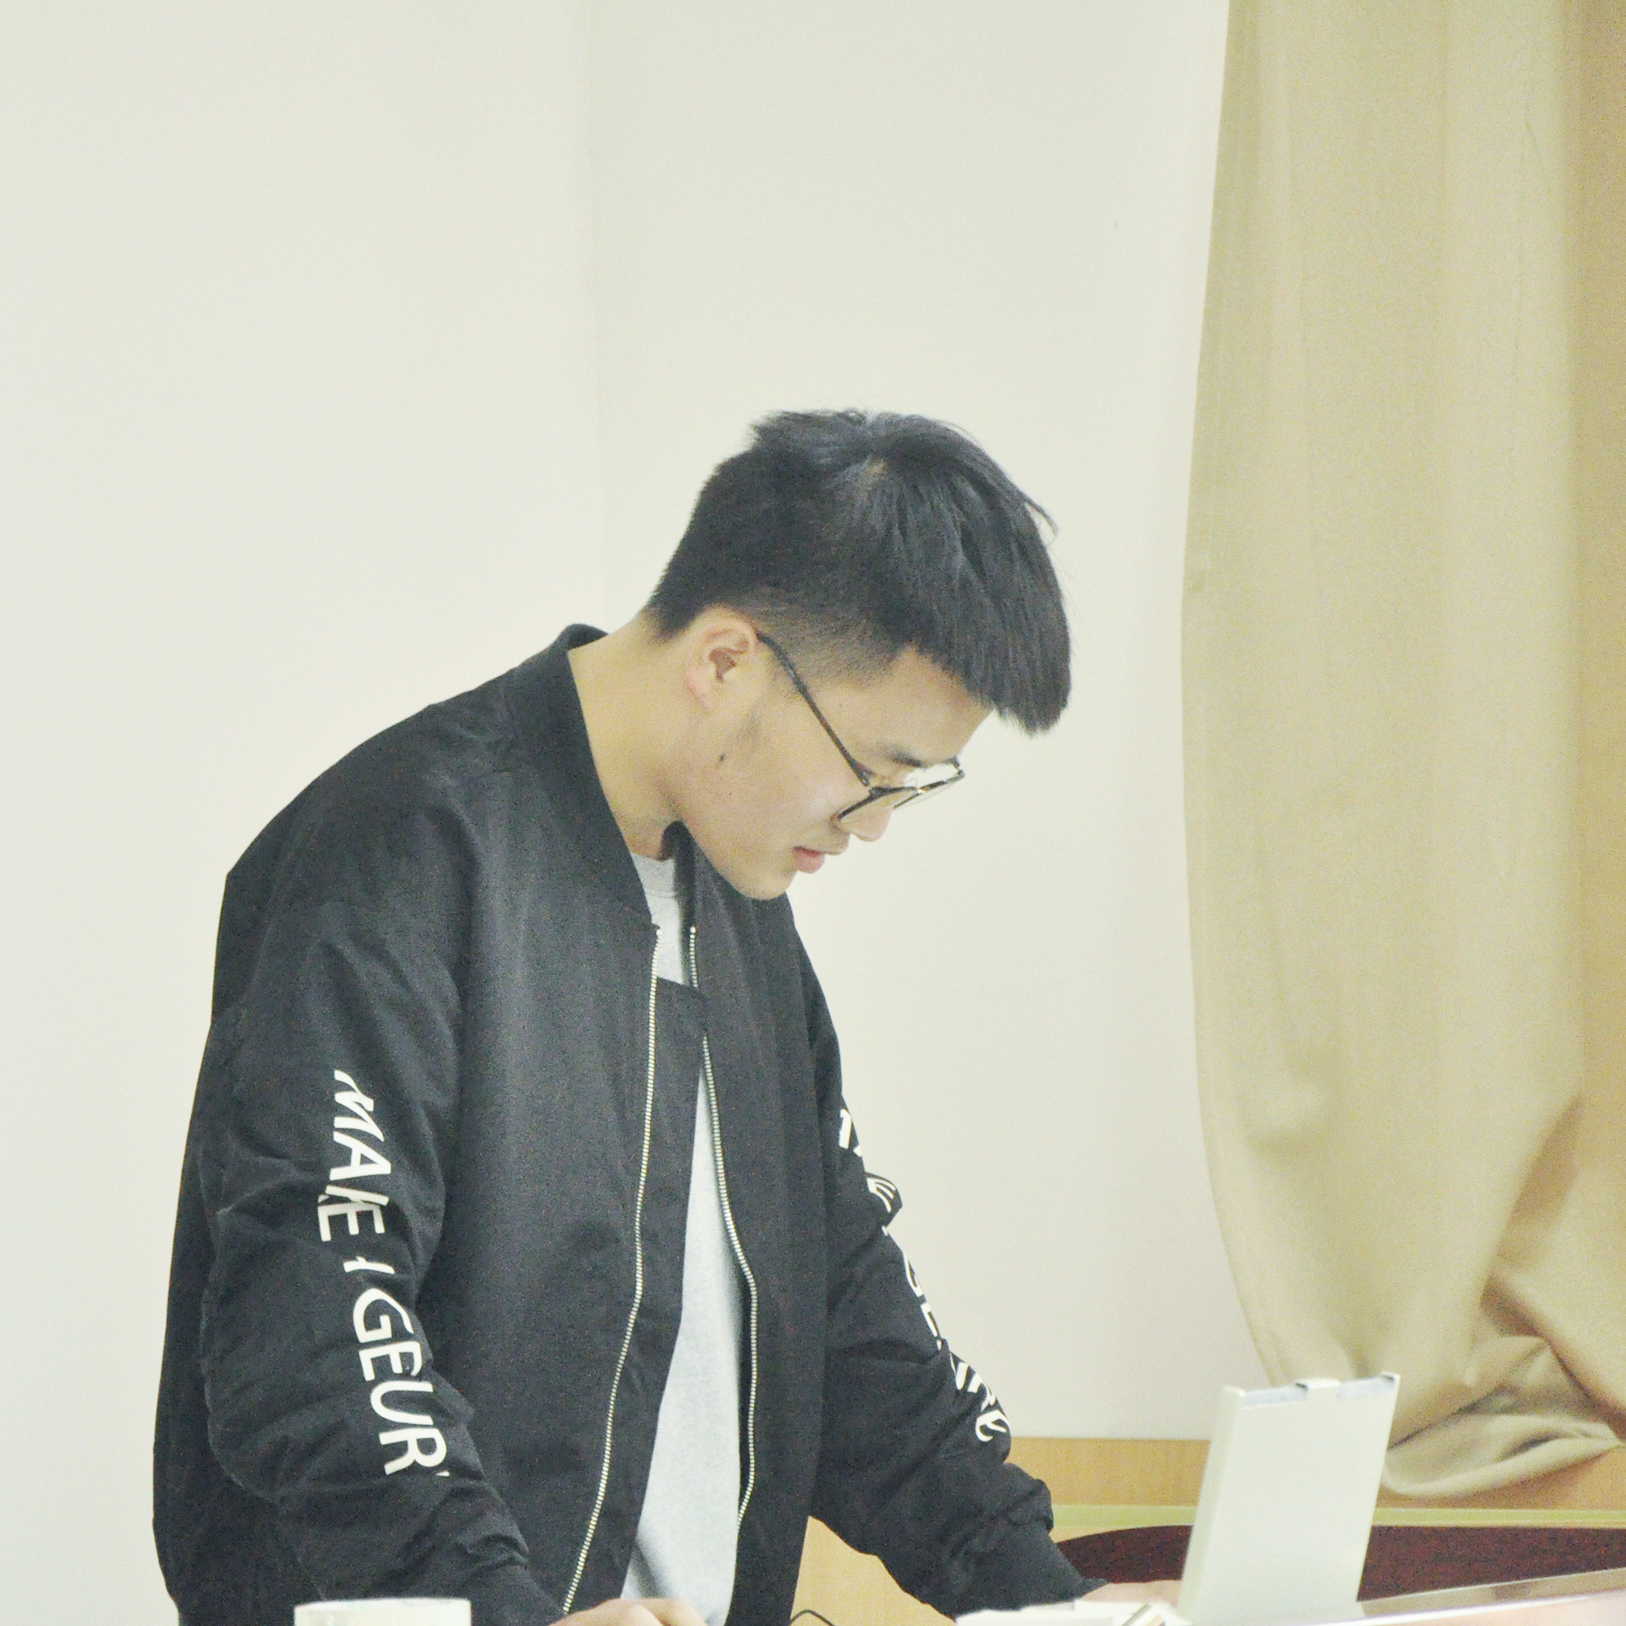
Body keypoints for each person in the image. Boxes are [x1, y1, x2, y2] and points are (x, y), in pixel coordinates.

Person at [154, 410, 1172, 1626]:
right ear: (728, 661)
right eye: (872, 771)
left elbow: (846, 1304)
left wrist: (1046, 1596)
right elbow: (319, 1320)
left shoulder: (733, 897)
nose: (872, 825)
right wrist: (495, 1609)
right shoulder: (403, 851)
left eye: (912, 789)